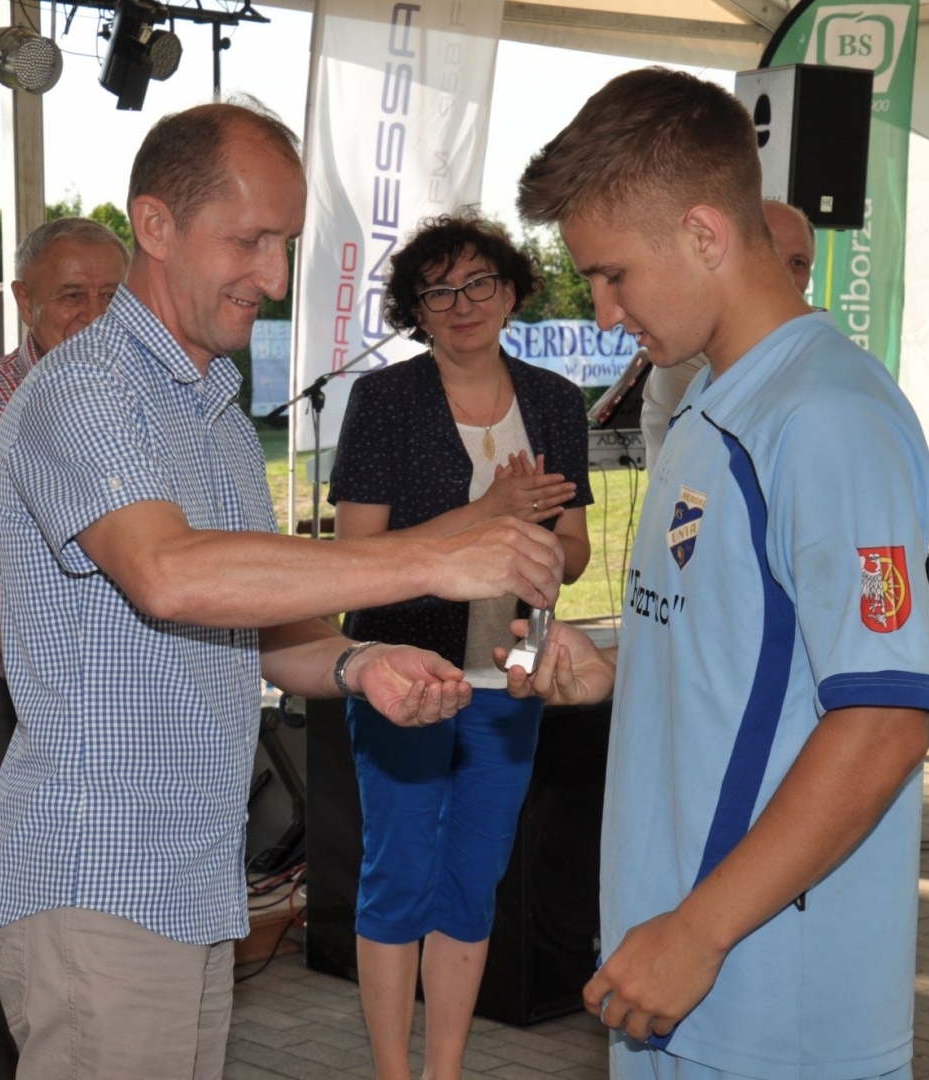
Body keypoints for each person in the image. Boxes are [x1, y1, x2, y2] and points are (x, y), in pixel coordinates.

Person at [0, 99, 565, 1080]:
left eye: (286, 243)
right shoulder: (88, 390)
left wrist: (358, 659)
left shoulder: (209, 408)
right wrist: (427, 558)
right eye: (247, 240)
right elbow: (168, 574)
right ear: (155, 226)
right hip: (100, 882)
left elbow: (256, 623)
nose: (274, 276)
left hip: (191, 879)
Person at [510, 69, 929, 1079]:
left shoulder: (827, 418)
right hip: (674, 975)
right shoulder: (709, 406)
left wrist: (701, 929)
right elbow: (753, 649)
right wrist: (612, 665)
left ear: (705, 235)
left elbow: (882, 722)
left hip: (770, 998)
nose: (607, 312)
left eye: (614, 275)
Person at [329, 212, 593, 1080]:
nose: (461, 303)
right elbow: (355, 558)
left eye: (479, 283)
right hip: (403, 671)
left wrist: (537, 541)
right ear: (417, 310)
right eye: (436, 291)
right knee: (398, 872)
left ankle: (443, 1071)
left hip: (512, 675)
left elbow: (578, 547)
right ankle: (391, 1072)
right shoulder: (383, 401)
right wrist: (484, 518)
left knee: (473, 879)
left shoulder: (553, 399)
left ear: (512, 290)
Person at [0, 216, 129, 1080]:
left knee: (117, 921)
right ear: (22, 302)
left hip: (126, 698)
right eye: (71, 297)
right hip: (17, 702)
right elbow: (36, 558)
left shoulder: (146, 397)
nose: (92, 315)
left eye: (112, 296)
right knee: (10, 923)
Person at [639, 199, 816, 470]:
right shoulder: (687, 354)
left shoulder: (822, 351)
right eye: (771, 256)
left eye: (798, 263)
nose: (786, 276)